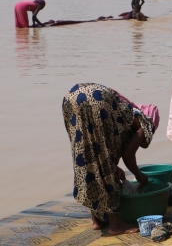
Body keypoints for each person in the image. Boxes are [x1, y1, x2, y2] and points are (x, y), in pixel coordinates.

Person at [62, 83, 159, 235]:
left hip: (71, 97)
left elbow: (99, 150)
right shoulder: (143, 124)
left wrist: (116, 167)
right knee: (105, 167)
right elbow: (128, 156)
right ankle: (116, 224)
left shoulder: (121, 113)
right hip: (96, 100)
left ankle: (97, 220)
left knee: (86, 154)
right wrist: (140, 176)